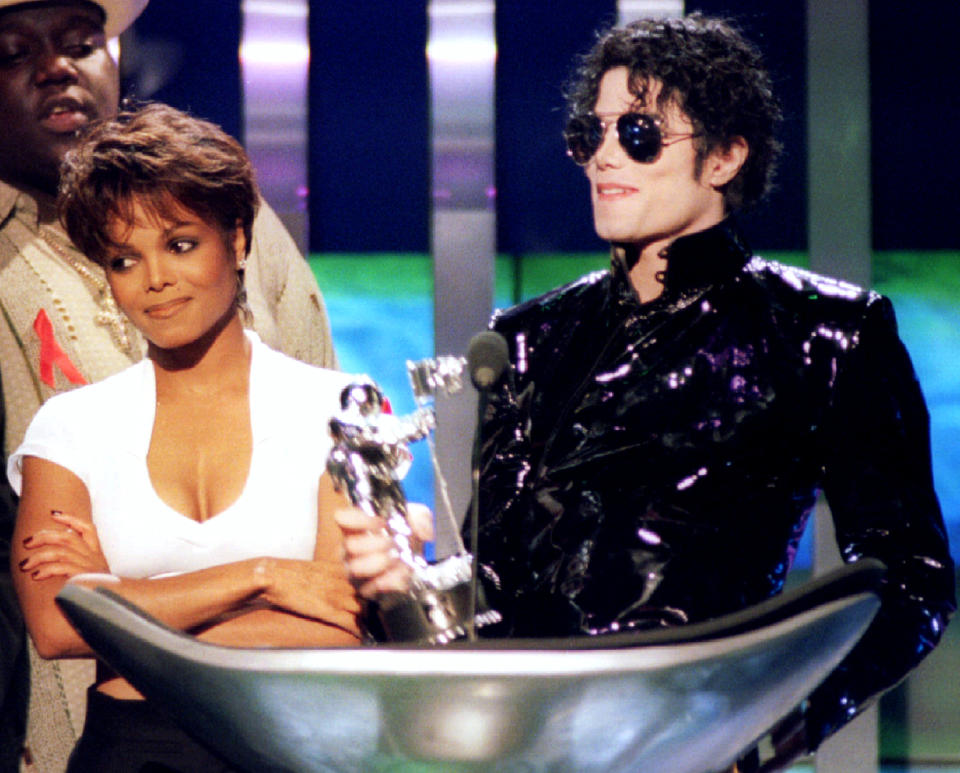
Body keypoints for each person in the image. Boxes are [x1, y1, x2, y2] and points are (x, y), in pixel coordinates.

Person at [339, 13, 956, 770]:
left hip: (685, 743)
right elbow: (489, 586)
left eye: (637, 134)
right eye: (589, 134)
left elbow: (912, 579)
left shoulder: (824, 332)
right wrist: (403, 590)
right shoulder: (528, 337)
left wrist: (775, 728)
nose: (602, 157)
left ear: (727, 155)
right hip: (519, 744)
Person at [0, 0, 337, 768]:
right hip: (92, 733)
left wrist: (116, 604)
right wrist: (267, 580)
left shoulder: (253, 236)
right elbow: (55, 620)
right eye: (15, 52)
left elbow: (340, 608)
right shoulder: (68, 418)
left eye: (83, 43)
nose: (155, 279)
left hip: (288, 728)